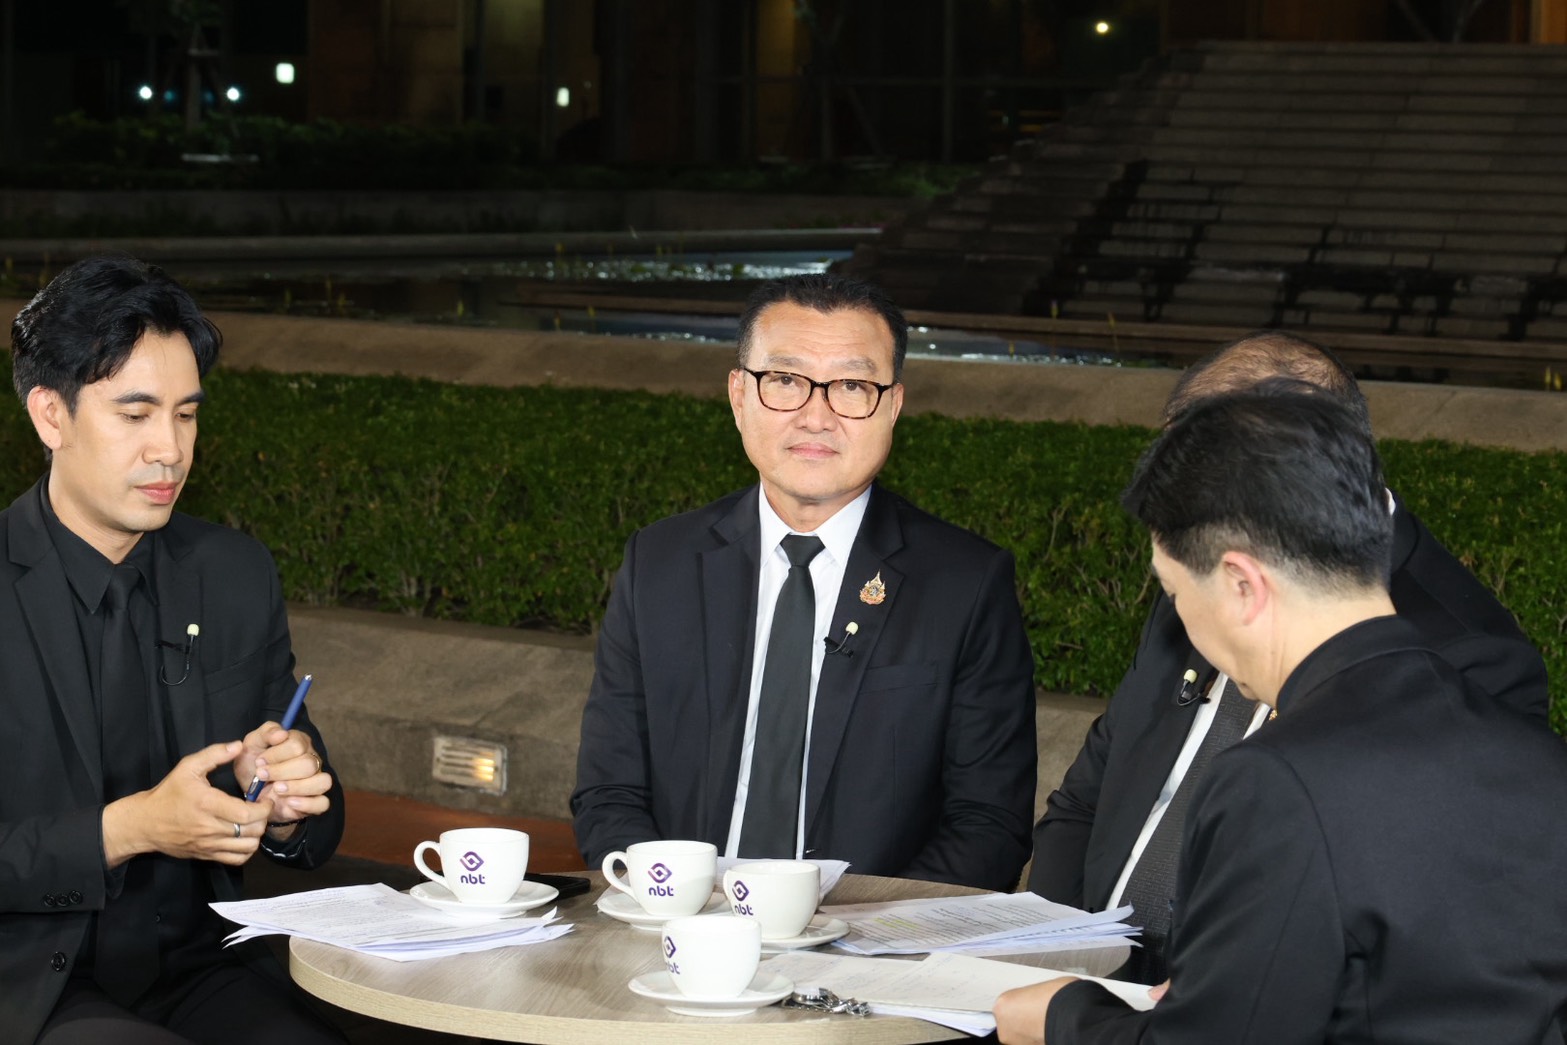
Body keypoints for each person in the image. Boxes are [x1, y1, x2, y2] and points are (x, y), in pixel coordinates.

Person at [995, 386, 1567, 1044]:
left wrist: (1061, 1015)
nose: (1179, 617)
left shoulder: (1274, 780)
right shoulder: (1532, 752)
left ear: (1242, 584)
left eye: (1174, 590)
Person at [571, 273, 1037, 892]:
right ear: (739, 396)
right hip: (677, 919)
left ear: (893, 406)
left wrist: (861, 928)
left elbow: (989, 823)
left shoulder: (965, 584)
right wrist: (667, 898)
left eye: (852, 386)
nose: (816, 417)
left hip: (868, 932)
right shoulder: (660, 563)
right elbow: (609, 790)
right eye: (786, 381)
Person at [1, 256, 346, 1044]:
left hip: (202, 965)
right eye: (136, 414)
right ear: (50, 416)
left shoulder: (232, 573)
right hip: (31, 981)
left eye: (186, 414)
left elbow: (311, 817)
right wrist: (129, 828)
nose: (170, 449)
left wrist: (286, 799)